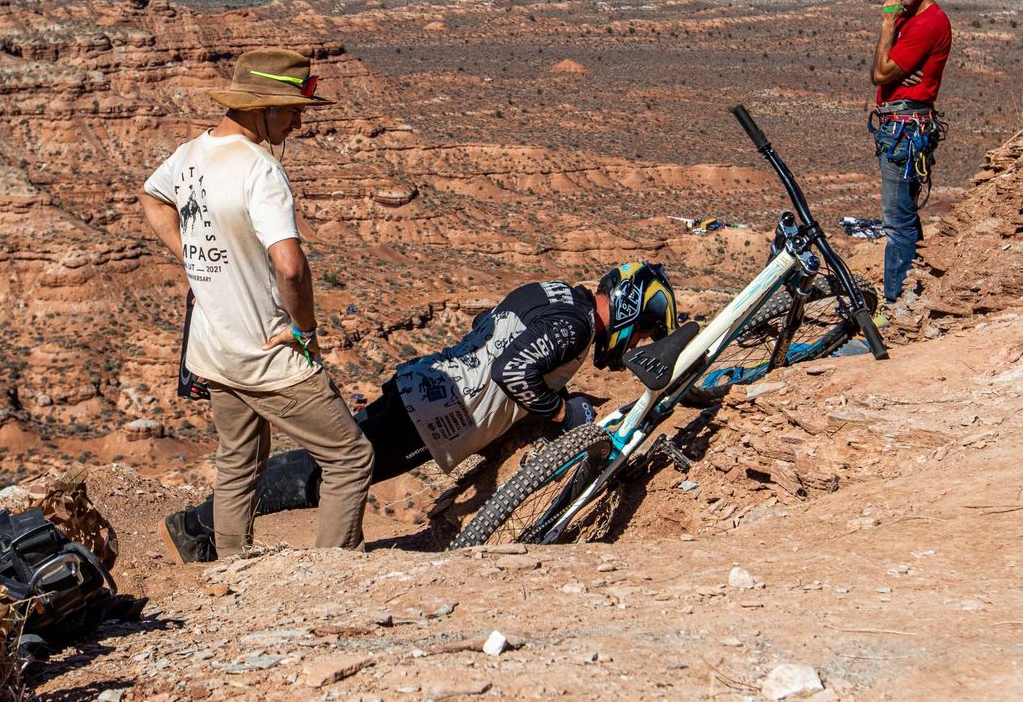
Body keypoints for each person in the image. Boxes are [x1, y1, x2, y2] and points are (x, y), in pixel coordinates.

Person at [160, 261, 679, 562]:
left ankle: (202, 524)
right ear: (636, 308)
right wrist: (562, 411)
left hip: (427, 383)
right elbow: (514, 373)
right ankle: (198, 526)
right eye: (648, 330)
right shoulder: (578, 326)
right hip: (436, 413)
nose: (640, 341)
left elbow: (491, 327)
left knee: (331, 463)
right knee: (326, 473)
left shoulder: (555, 294)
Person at [140, 48, 374, 557]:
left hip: (212, 348)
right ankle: (333, 571)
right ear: (259, 107)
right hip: (264, 355)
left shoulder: (190, 153)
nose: (296, 122)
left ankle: (231, 571)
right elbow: (290, 266)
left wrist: (191, 256)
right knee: (350, 457)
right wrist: (305, 330)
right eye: (290, 110)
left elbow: (152, 196)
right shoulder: (260, 170)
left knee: (237, 461)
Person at [868, 0, 952, 317]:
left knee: (896, 220)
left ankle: (896, 305)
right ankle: (911, 289)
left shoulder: (926, 23)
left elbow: (880, 73)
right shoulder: (911, 19)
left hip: (904, 129)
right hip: (901, 126)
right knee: (904, 215)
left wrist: (887, 27)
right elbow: (887, 70)